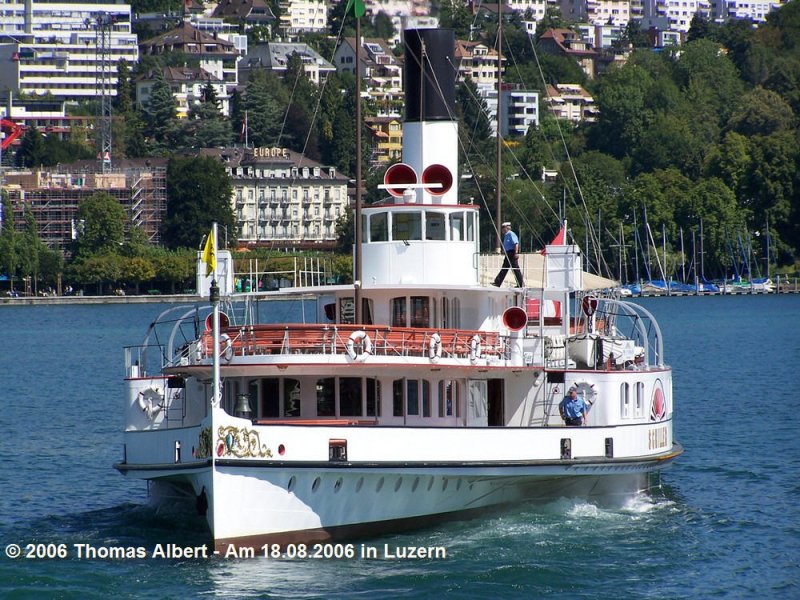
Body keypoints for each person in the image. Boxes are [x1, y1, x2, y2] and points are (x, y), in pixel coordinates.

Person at [493, 222, 524, 288]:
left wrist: (516, 253)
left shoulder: (511, 234)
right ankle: (497, 282)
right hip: (508, 253)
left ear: (506, 228)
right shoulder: (506, 235)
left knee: (515, 269)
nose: (502, 229)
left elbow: (516, 244)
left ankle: (520, 284)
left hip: (512, 253)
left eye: (503, 228)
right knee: (504, 268)